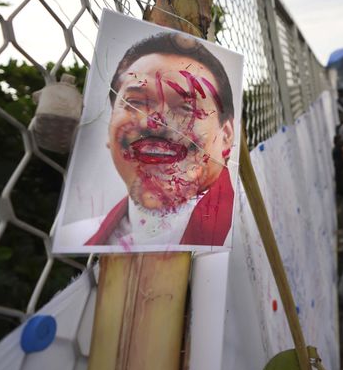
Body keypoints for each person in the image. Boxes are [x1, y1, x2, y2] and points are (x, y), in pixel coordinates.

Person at [71, 32, 237, 247]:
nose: (155, 122)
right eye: (135, 103)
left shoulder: (252, 232)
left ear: (226, 136)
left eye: (187, 107)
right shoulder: (76, 237)